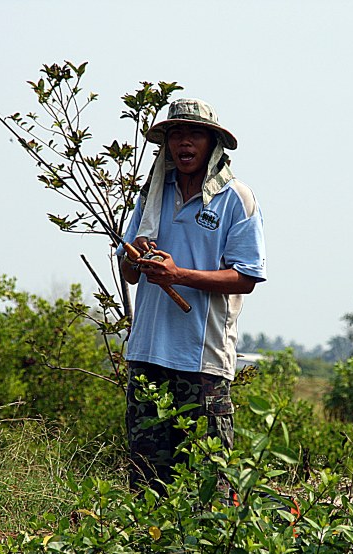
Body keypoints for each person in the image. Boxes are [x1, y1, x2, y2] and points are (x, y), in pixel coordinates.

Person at [118, 98, 267, 493]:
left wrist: (177, 274)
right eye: (176, 134)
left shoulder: (237, 199)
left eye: (194, 134)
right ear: (166, 144)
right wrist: (140, 255)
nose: (184, 142)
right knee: (146, 485)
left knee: (206, 487)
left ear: (212, 143)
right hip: (146, 357)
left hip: (202, 363)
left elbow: (247, 276)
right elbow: (129, 273)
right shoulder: (152, 196)